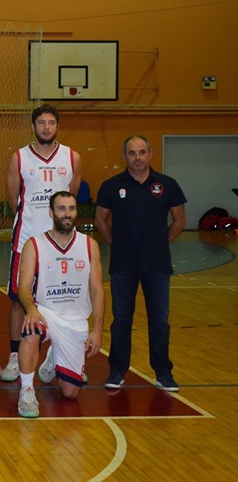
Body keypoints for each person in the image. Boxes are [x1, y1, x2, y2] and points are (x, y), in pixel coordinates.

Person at [95, 135, 186, 392]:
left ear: (150, 154)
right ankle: (117, 370)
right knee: (121, 319)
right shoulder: (111, 186)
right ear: (124, 156)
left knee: (159, 320)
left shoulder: (167, 184)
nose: (138, 158)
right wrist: (117, 244)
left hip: (157, 264)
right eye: (132, 153)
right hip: (123, 265)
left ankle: (163, 373)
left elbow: (179, 220)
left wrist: (160, 242)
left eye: (142, 152)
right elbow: (101, 220)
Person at [1, 105, 81, 382]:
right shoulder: (19, 158)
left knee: (61, 298)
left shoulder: (72, 157)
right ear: (33, 126)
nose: (46, 127)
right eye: (41, 123)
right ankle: (14, 357)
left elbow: (71, 199)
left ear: (58, 126)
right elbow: (14, 199)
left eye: (51, 122)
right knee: (18, 300)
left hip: (60, 243)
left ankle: (57, 355)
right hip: (26, 240)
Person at [16, 191, 104, 418]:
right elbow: (23, 287)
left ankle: (53, 357)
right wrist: (31, 309)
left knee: (70, 393)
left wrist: (97, 330)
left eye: (71, 209)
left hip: (75, 321)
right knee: (31, 328)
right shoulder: (34, 244)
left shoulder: (90, 245)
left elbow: (97, 290)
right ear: (51, 212)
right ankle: (27, 390)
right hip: (45, 312)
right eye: (62, 209)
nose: (67, 214)